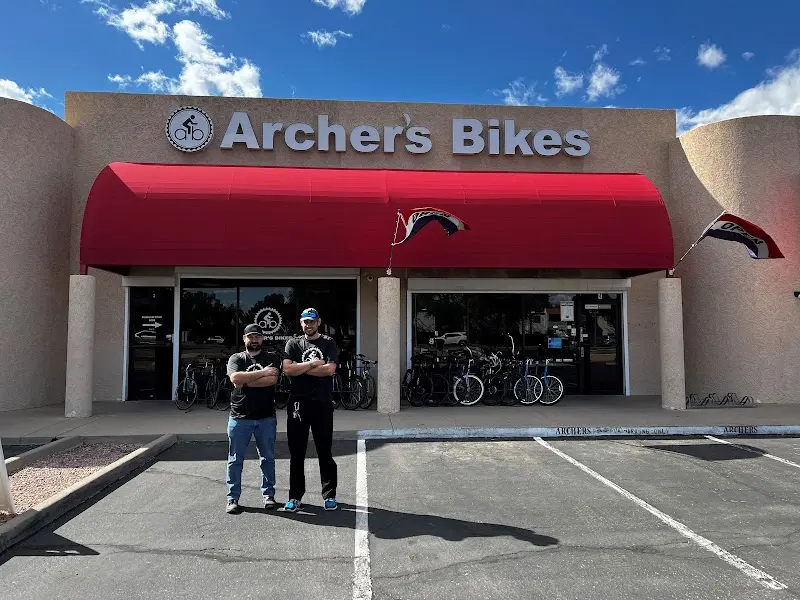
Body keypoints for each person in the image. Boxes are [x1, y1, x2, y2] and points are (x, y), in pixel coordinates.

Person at [282, 307, 340, 512]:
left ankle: (329, 495)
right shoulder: (293, 343)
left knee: (324, 450)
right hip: (298, 404)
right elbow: (288, 369)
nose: (309, 325)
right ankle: (295, 497)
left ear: (319, 322)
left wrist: (301, 367)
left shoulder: (328, 342)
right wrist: (314, 364)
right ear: (301, 323)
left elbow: (330, 370)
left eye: (312, 321)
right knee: (297, 452)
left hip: (322, 403)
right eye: (306, 321)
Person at [224, 323, 282, 514]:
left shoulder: (271, 357)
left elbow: (272, 380)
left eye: (257, 337)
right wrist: (262, 372)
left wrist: (246, 380)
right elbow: (235, 379)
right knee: (235, 459)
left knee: (267, 458)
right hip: (239, 417)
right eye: (251, 337)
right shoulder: (237, 358)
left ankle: (269, 495)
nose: (254, 340)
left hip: (265, 417)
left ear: (262, 338)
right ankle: (233, 498)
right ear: (244, 339)